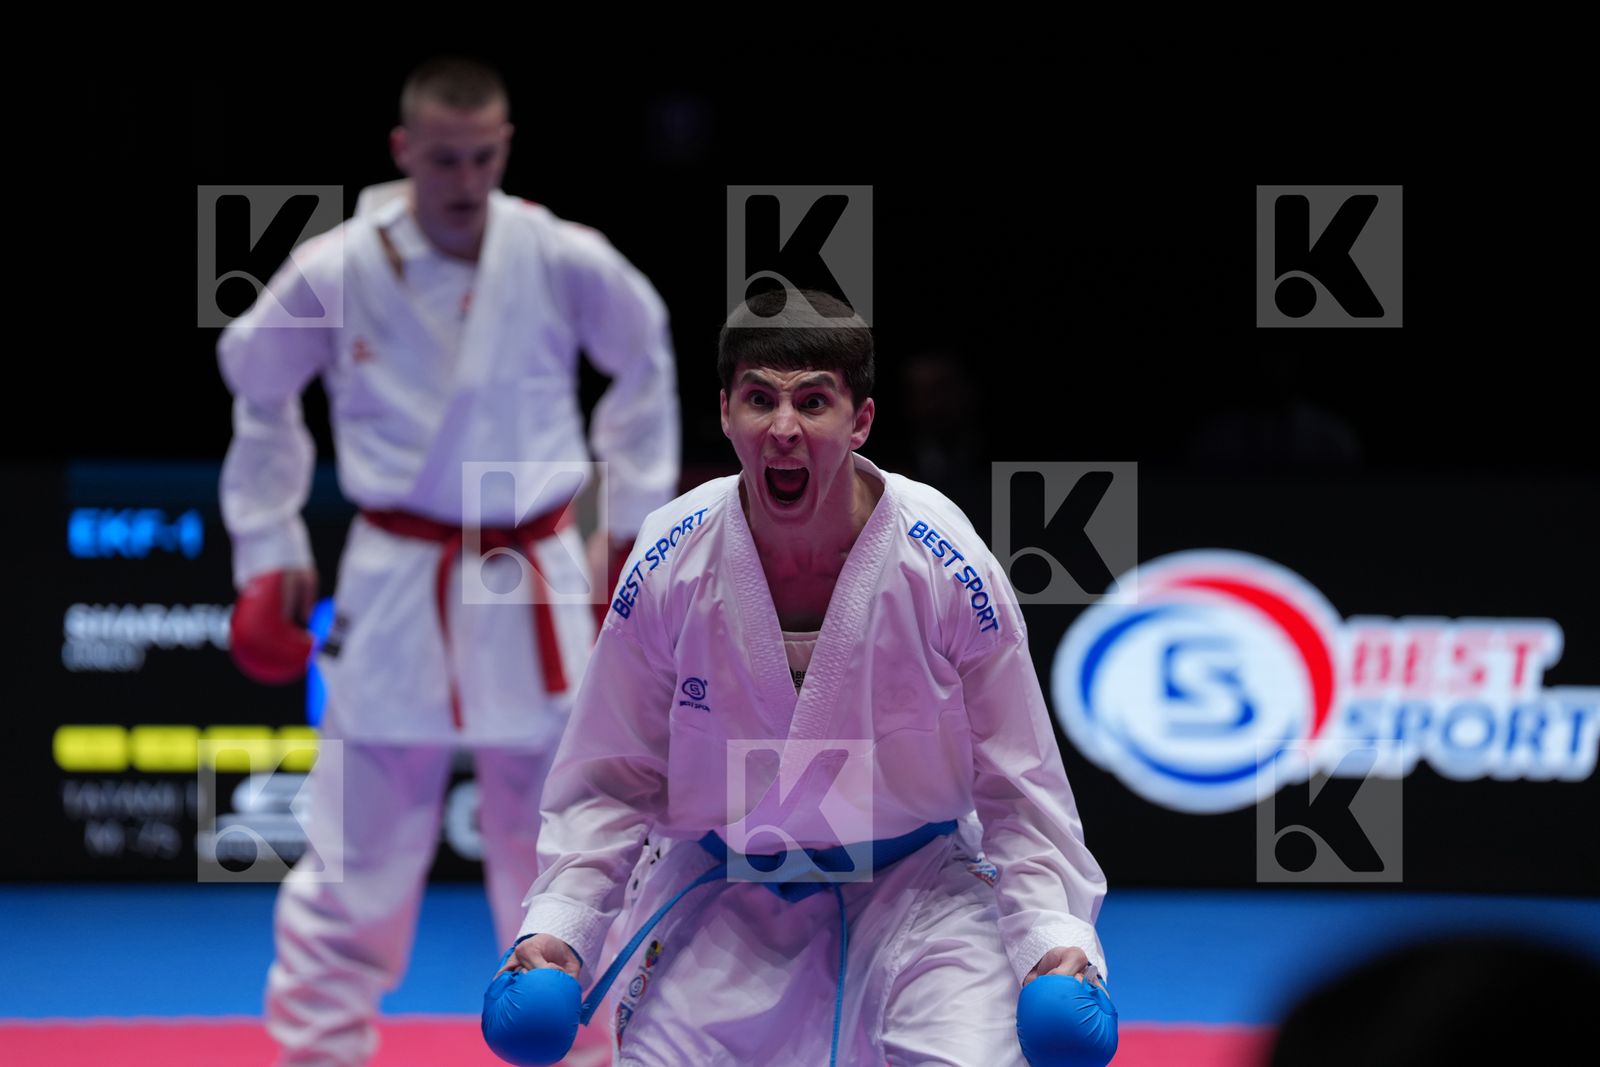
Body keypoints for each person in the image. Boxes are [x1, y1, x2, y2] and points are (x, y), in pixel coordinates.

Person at [501, 289, 1107, 1065]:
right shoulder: (669, 558)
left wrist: (1054, 940)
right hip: (724, 893)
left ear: (860, 421)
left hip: (921, 892)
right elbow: (612, 775)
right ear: (726, 412)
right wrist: (560, 927)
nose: (784, 429)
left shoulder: (944, 563)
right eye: (760, 399)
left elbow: (1019, 784)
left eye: (813, 401)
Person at [217, 56, 679, 1066]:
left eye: (481, 158)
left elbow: (645, 357)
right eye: (443, 160)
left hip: (537, 574)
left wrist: (626, 533)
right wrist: (268, 551)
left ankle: (589, 1051)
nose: (464, 182)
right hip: (397, 575)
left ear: (504, 149)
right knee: (352, 858)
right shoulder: (336, 266)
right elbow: (254, 379)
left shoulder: (559, 255)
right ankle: (319, 1051)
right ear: (402, 152)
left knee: (566, 852)